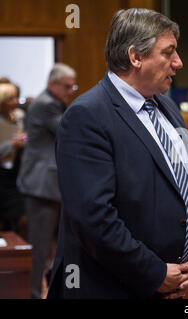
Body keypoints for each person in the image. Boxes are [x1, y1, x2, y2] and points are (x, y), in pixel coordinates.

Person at [47, 8, 188, 299]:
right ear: (136, 57)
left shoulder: (168, 107)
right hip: (108, 289)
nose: (178, 62)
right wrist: (155, 274)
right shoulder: (87, 116)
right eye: (168, 52)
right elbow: (93, 218)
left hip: (168, 287)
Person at [16, 62, 77, 299]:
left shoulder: (52, 101)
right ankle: (33, 294)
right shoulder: (47, 104)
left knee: (55, 247)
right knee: (39, 248)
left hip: (49, 185)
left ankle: (55, 291)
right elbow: (68, 131)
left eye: (73, 86)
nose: (71, 91)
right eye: (66, 86)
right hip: (42, 185)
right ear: (52, 84)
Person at [0, 83, 27, 239]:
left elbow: (25, 136)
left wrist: (24, 139)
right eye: (11, 98)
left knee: (22, 219)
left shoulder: (18, 117)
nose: (15, 101)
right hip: (1, 174)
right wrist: (12, 144)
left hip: (13, 173)